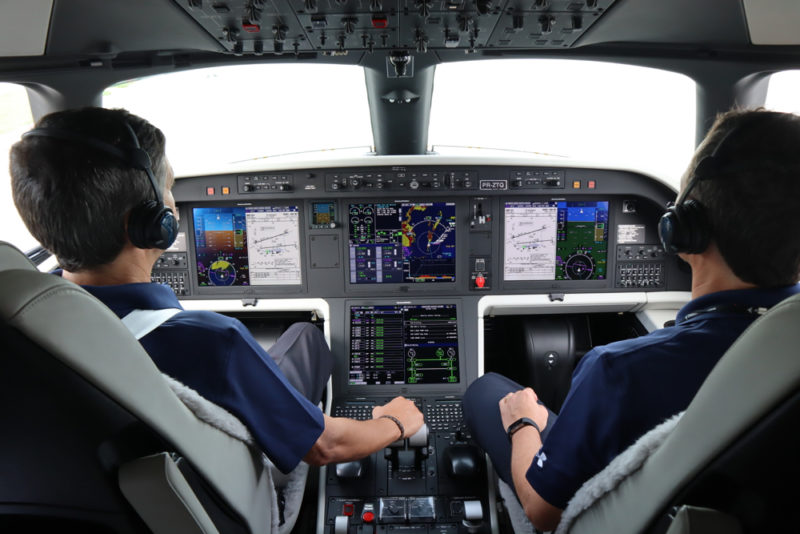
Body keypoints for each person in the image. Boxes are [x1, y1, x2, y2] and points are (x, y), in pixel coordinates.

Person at [9, 107, 424, 478]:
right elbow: (327, 446)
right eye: (169, 191)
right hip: (224, 502)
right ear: (152, 223)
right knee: (307, 338)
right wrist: (395, 422)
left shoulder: (20, 340)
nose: (172, 205)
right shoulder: (213, 342)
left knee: (303, 339)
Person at [462, 108, 800, 531]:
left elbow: (541, 511)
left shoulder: (619, 371)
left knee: (487, 390)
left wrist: (525, 422)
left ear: (682, 228)